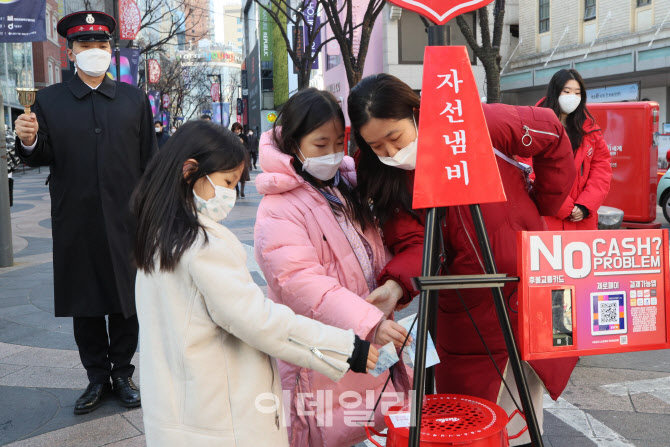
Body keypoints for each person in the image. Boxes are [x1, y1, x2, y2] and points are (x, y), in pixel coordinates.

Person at [348, 74, 579, 447]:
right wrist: (395, 285)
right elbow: (414, 243)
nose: (390, 153)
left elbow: (551, 131)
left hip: (535, 283)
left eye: (395, 137)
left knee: (526, 412)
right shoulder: (387, 177)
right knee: (470, 421)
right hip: (468, 309)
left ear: (416, 113)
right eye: (377, 146)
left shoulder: (476, 122)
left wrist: (547, 202)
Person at [132, 120, 377, 446]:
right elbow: (257, 321)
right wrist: (346, 349)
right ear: (190, 171)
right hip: (221, 419)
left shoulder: (159, 238)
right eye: (226, 182)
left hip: (182, 411)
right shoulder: (202, 247)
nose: (230, 194)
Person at [13, 11, 156, 414]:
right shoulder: (50, 101)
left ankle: (123, 373)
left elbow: (150, 160)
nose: (94, 51)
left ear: (111, 50)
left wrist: (156, 213)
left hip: (128, 220)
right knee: (86, 300)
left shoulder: (133, 99)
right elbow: (38, 156)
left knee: (127, 301)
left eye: (101, 44)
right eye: (85, 45)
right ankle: (96, 377)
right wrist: (29, 140)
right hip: (75, 218)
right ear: (71, 52)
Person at [254, 88, 412, 447]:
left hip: (363, 339)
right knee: (317, 430)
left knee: (366, 424)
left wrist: (394, 287)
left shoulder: (347, 183)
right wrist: (370, 320)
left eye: (337, 143)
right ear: (293, 143)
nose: (330, 154)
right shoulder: (279, 207)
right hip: (317, 348)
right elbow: (302, 282)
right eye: (319, 145)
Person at [536, 69, 612, 230]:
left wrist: (585, 205)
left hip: (583, 220)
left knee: (581, 255)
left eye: (578, 93)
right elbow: (528, 172)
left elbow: (602, 172)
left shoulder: (591, 131)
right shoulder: (535, 126)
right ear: (555, 92)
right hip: (548, 218)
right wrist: (562, 205)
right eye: (567, 91)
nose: (573, 97)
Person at [231, 122, 250, 197]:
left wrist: (243, 143)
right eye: (235, 129)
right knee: (234, 175)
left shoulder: (244, 136)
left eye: (238, 129)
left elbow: (247, 146)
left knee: (243, 174)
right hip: (234, 158)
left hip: (243, 157)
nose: (237, 131)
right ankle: (237, 190)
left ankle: (242, 191)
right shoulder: (231, 136)